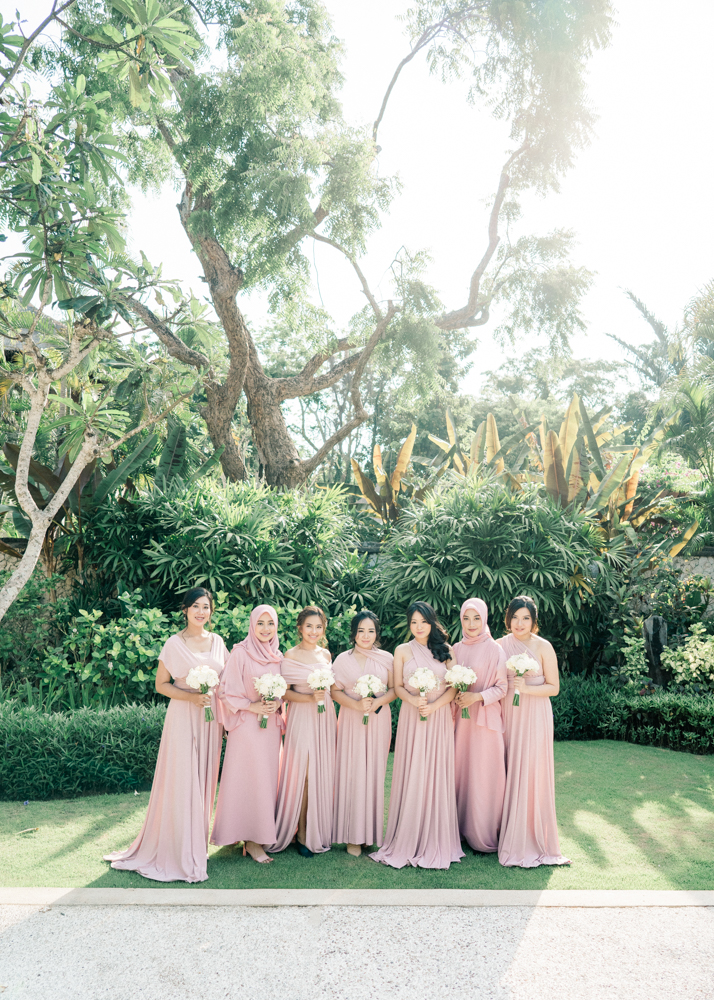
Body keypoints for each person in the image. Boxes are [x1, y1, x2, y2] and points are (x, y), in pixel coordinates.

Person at [104, 587, 227, 882]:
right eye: (195, 606)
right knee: (184, 780)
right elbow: (161, 684)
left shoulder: (218, 642)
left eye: (206, 607)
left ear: (211, 611)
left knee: (204, 780)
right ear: (185, 610)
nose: (201, 612)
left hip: (210, 720)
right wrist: (191, 697)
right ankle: (179, 849)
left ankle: (196, 845)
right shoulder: (174, 643)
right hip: (183, 716)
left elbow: (227, 682)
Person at [370, 601, 463, 870]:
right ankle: (407, 835)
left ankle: (435, 836)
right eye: (414, 622)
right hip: (412, 715)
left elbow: (454, 687)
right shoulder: (401, 650)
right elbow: (398, 686)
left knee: (435, 771)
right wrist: (414, 701)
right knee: (412, 770)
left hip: (438, 716)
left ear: (432, 622)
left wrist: (434, 706)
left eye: (423, 622)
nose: (419, 627)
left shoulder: (447, 650)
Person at [496, 595, 570, 868]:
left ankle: (530, 835)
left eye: (525, 618)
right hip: (507, 713)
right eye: (515, 617)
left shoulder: (543, 647)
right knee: (505, 767)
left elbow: (554, 687)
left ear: (534, 621)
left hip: (536, 715)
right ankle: (501, 832)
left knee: (532, 770)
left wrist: (526, 688)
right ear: (508, 619)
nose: (520, 623)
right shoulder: (499, 645)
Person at [211, 604, 284, 864]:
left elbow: (282, 692)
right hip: (246, 728)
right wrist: (253, 706)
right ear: (252, 626)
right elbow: (225, 691)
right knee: (246, 780)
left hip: (270, 729)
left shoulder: (278, 655)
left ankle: (259, 834)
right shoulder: (240, 653)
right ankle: (250, 841)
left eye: (270, 623)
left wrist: (276, 703)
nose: (265, 628)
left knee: (266, 781)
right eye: (260, 623)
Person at [266, 605, 336, 857]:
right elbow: (284, 692)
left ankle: (316, 829)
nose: (314, 631)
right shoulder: (290, 654)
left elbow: (331, 689)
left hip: (324, 717)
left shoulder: (326, 654)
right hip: (301, 717)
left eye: (318, 627)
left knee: (319, 772)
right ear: (300, 628)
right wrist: (309, 698)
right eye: (309, 626)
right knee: (303, 773)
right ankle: (301, 832)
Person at [331, 610, 396, 857]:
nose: (366, 636)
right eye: (361, 631)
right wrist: (357, 705)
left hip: (378, 719)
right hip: (351, 719)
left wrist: (377, 702)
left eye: (370, 631)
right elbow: (334, 691)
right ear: (354, 633)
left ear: (377, 633)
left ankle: (370, 835)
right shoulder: (342, 660)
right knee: (353, 772)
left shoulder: (387, 658)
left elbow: (395, 689)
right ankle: (352, 837)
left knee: (374, 773)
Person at [452, 597, 508, 853]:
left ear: (484, 619)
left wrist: (475, 697)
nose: (471, 623)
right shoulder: (456, 649)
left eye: (476, 618)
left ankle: (482, 831)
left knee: (484, 775)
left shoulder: (495, 649)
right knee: (461, 773)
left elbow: (502, 688)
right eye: (466, 618)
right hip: (461, 724)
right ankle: (459, 829)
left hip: (485, 724)